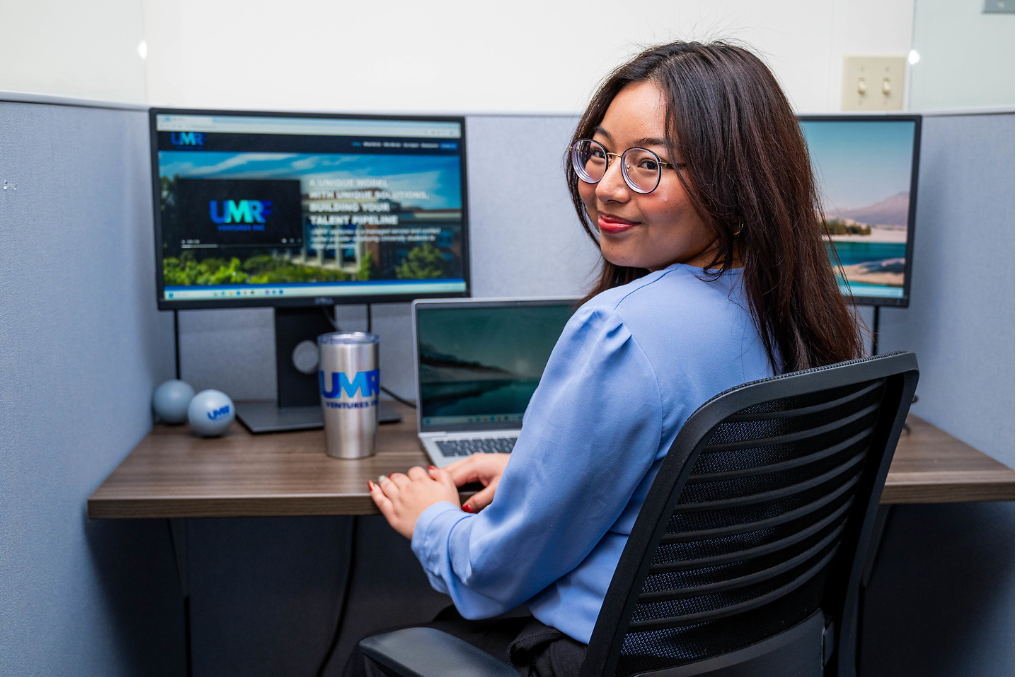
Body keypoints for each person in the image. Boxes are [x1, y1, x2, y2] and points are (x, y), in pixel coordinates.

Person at [349, 40, 862, 677]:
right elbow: (711, 491)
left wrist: (432, 519)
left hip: (602, 659)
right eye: (599, 154)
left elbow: (493, 575)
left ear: (735, 182)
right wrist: (542, 479)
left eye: (648, 164)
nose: (608, 188)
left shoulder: (622, 329)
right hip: (737, 657)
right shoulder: (793, 313)